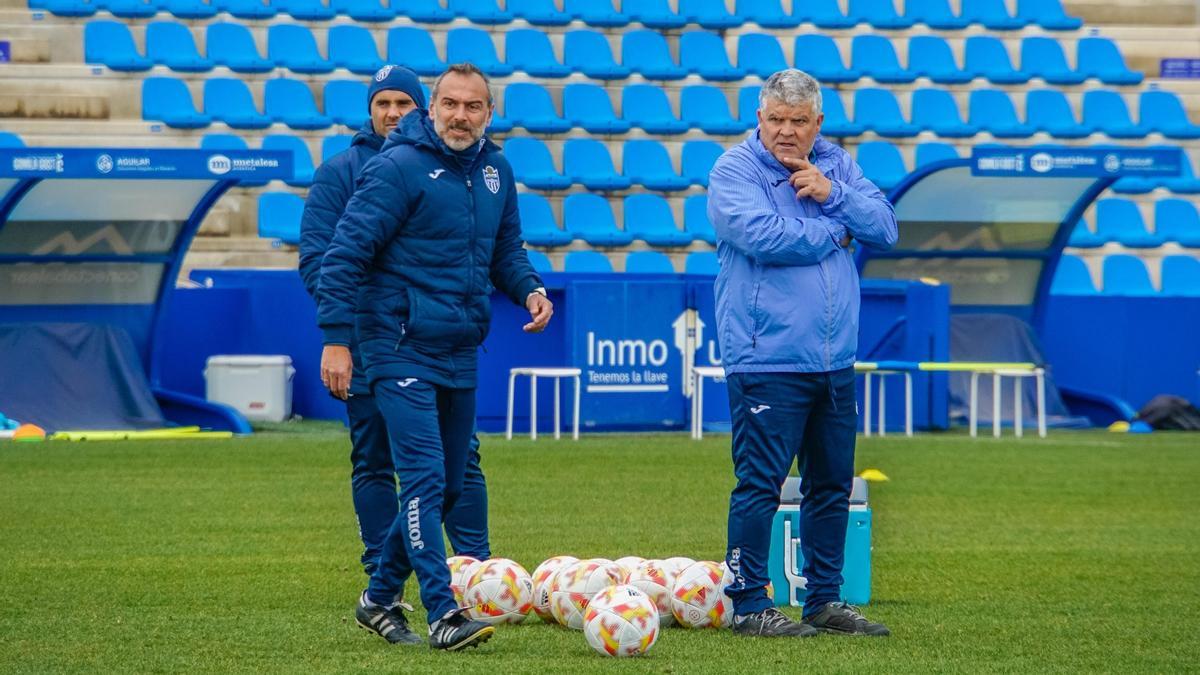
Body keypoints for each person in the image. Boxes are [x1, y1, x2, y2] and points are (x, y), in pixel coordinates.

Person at [317, 62, 553, 651]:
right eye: (450, 104)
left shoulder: (497, 170)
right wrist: (336, 338)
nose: (460, 116)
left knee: (448, 483)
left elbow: (506, 250)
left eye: (473, 107)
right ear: (433, 109)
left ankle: (376, 598)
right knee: (422, 477)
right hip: (395, 344)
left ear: (489, 114)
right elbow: (344, 252)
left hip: (458, 345)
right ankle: (443, 612)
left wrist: (530, 289)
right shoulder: (397, 165)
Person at [298, 65, 492, 646]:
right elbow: (324, 261)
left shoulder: (477, 171)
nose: (393, 112)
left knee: (451, 470)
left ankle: (459, 570)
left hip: (440, 344)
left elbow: (490, 249)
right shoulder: (343, 173)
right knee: (382, 462)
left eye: (402, 101)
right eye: (382, 102)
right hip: (373, 345)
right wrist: (349, 335)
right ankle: (430, 601)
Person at [707, 69, 898, 638]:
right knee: (760, 483)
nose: (785, 132)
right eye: (776, 120)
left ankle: (823, 600)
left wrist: (833, 195)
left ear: (818, 123)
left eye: (798, 121)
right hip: (766, 356)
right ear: (758, 118)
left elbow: (886, 227)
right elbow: (762, 236)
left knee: (831, 485)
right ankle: (747, 603)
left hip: (835, 359)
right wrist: (836, 232)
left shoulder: (838, 165)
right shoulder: (734, 169)